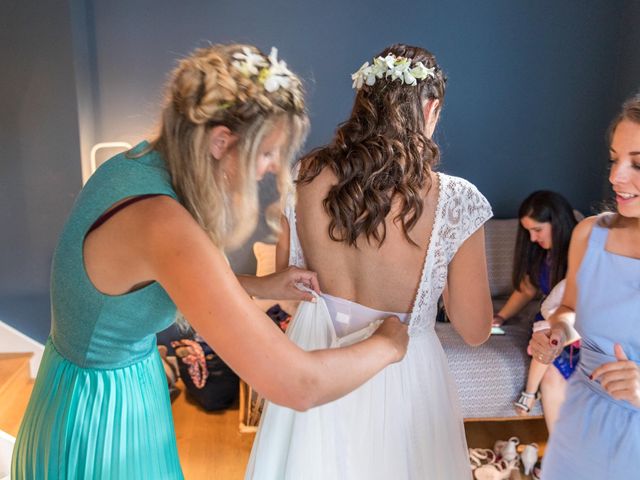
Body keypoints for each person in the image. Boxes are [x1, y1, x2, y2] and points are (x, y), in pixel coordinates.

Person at [10, 44, 409, 479]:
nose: (271, 167)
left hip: (89, 382)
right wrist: (388, 344)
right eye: (266, 152)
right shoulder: (164, 224)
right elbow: (297, 384)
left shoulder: (136, 163)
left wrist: (261, 286)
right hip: (99, 419)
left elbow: (151, 283)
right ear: (221, 141)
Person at [246, 44, 493, 479]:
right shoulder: (455, 199)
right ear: (431, 108)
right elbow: (473, 331)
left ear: (363, 104)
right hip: (403, 372)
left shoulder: (304, 176)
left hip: (318, 361)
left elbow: (289, 293)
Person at [530, 94, 640, 479]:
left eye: (637, 164)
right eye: (614, 159)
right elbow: (568, 309)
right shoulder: (589, 234)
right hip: (579, 425)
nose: (616, 177)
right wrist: (558, 333)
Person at [492, 191, 579, 430]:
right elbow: (526, 289)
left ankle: (531, 396)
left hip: (575, 328)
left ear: (557, 223)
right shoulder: (543, 254)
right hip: (551, 326)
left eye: (537, 230)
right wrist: (500, 317)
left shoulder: (581, 250)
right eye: (528, 231)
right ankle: (557, 459)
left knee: (552, 372)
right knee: (551, 374)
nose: (532, 238)